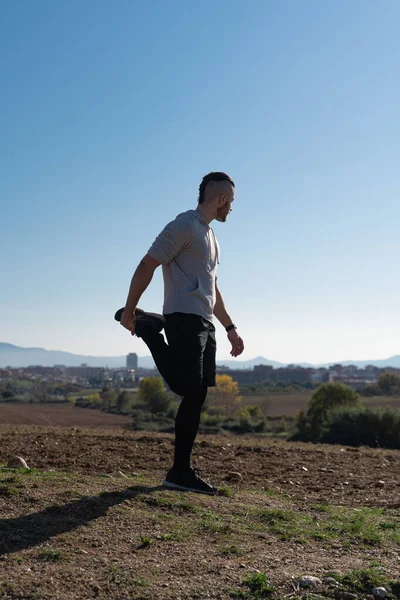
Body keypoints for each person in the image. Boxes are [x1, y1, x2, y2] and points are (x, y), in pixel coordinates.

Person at [116, 172, 244, 494]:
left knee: (197, 394)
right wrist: (130, 310)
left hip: (204, 321)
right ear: (221, 199)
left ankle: (180, 472)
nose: (232, 209)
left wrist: (230, 328)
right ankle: (149, 330)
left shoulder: (210, 237)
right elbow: (148, 263)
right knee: (185, 385)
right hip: (183, 317)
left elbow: (212, 288)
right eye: (232, 202)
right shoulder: (184, 225)